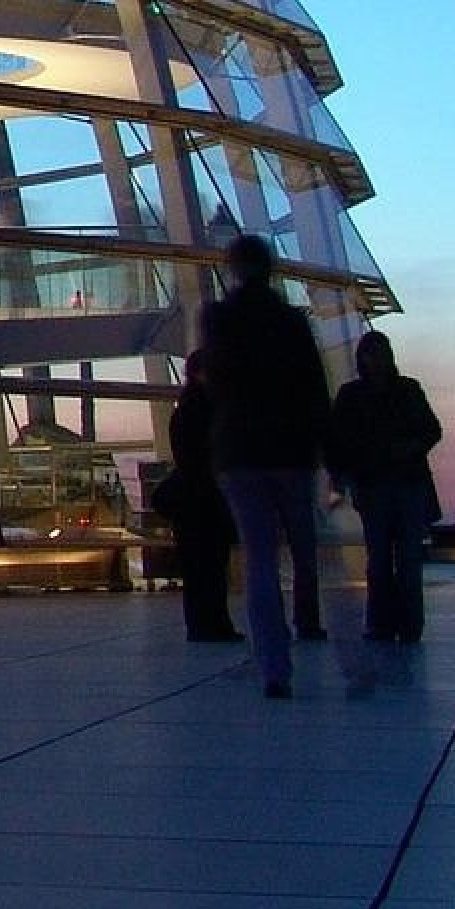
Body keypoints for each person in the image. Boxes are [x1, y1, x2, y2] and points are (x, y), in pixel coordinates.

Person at [198, 233, 331, 697]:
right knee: (303, 548)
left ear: (232, 269)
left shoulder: (218, 319)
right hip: (291, 452)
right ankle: (309, 622)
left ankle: (274, 665)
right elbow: (315, 390)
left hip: (241, 452)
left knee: (259, 559)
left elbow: (217, 383)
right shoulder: (291, 323)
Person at [325, 330, 443, 643]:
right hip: (385, 485)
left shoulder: (378, 393)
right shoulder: (397, 391)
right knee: (391, 559)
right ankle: (400, 624)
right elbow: (335, 444)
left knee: (394, 559)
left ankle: (392, 625)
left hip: (392, 484)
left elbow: (431, 430)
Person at [159, 361, 242, 643]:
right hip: (209, 500)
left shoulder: (184, 411)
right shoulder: (212, 410)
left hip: (192, 501)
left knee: (197, 568)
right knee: (213, 566)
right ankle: (215, 623)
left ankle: (202, 625)